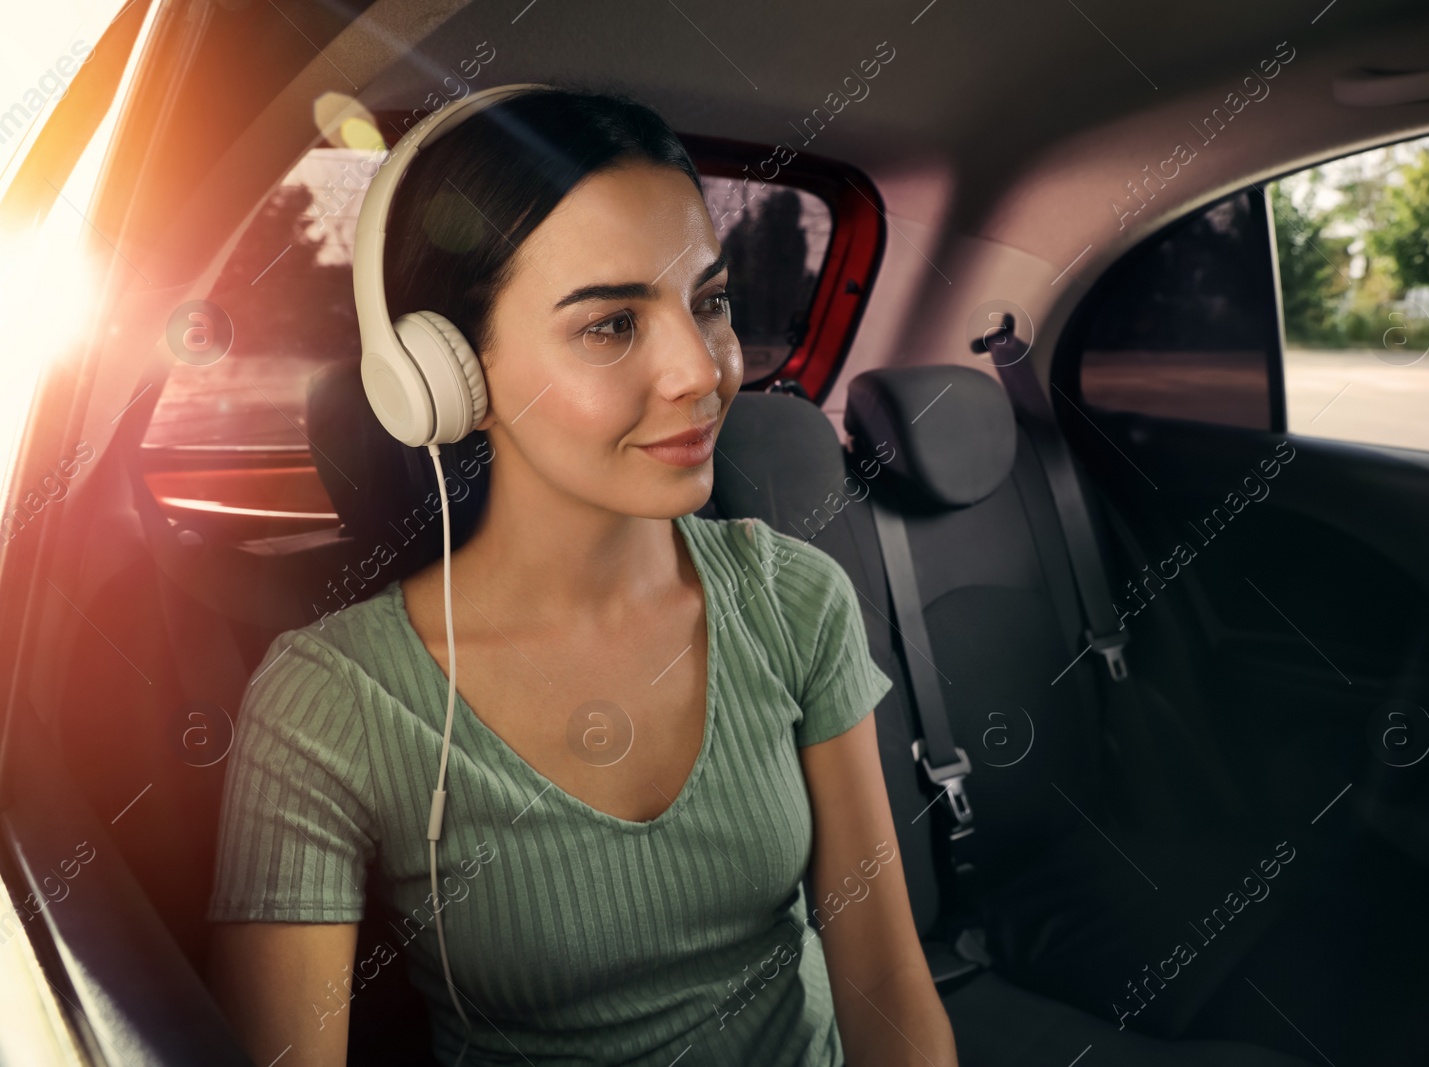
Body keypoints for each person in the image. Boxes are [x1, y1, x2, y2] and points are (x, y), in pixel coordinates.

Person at [202, 84, 958, 1067]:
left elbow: (886, 982)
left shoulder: (793, 595)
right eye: (610, 324)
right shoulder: (327, 703)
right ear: (450, 377)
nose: (702, 368)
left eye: (711, 301)